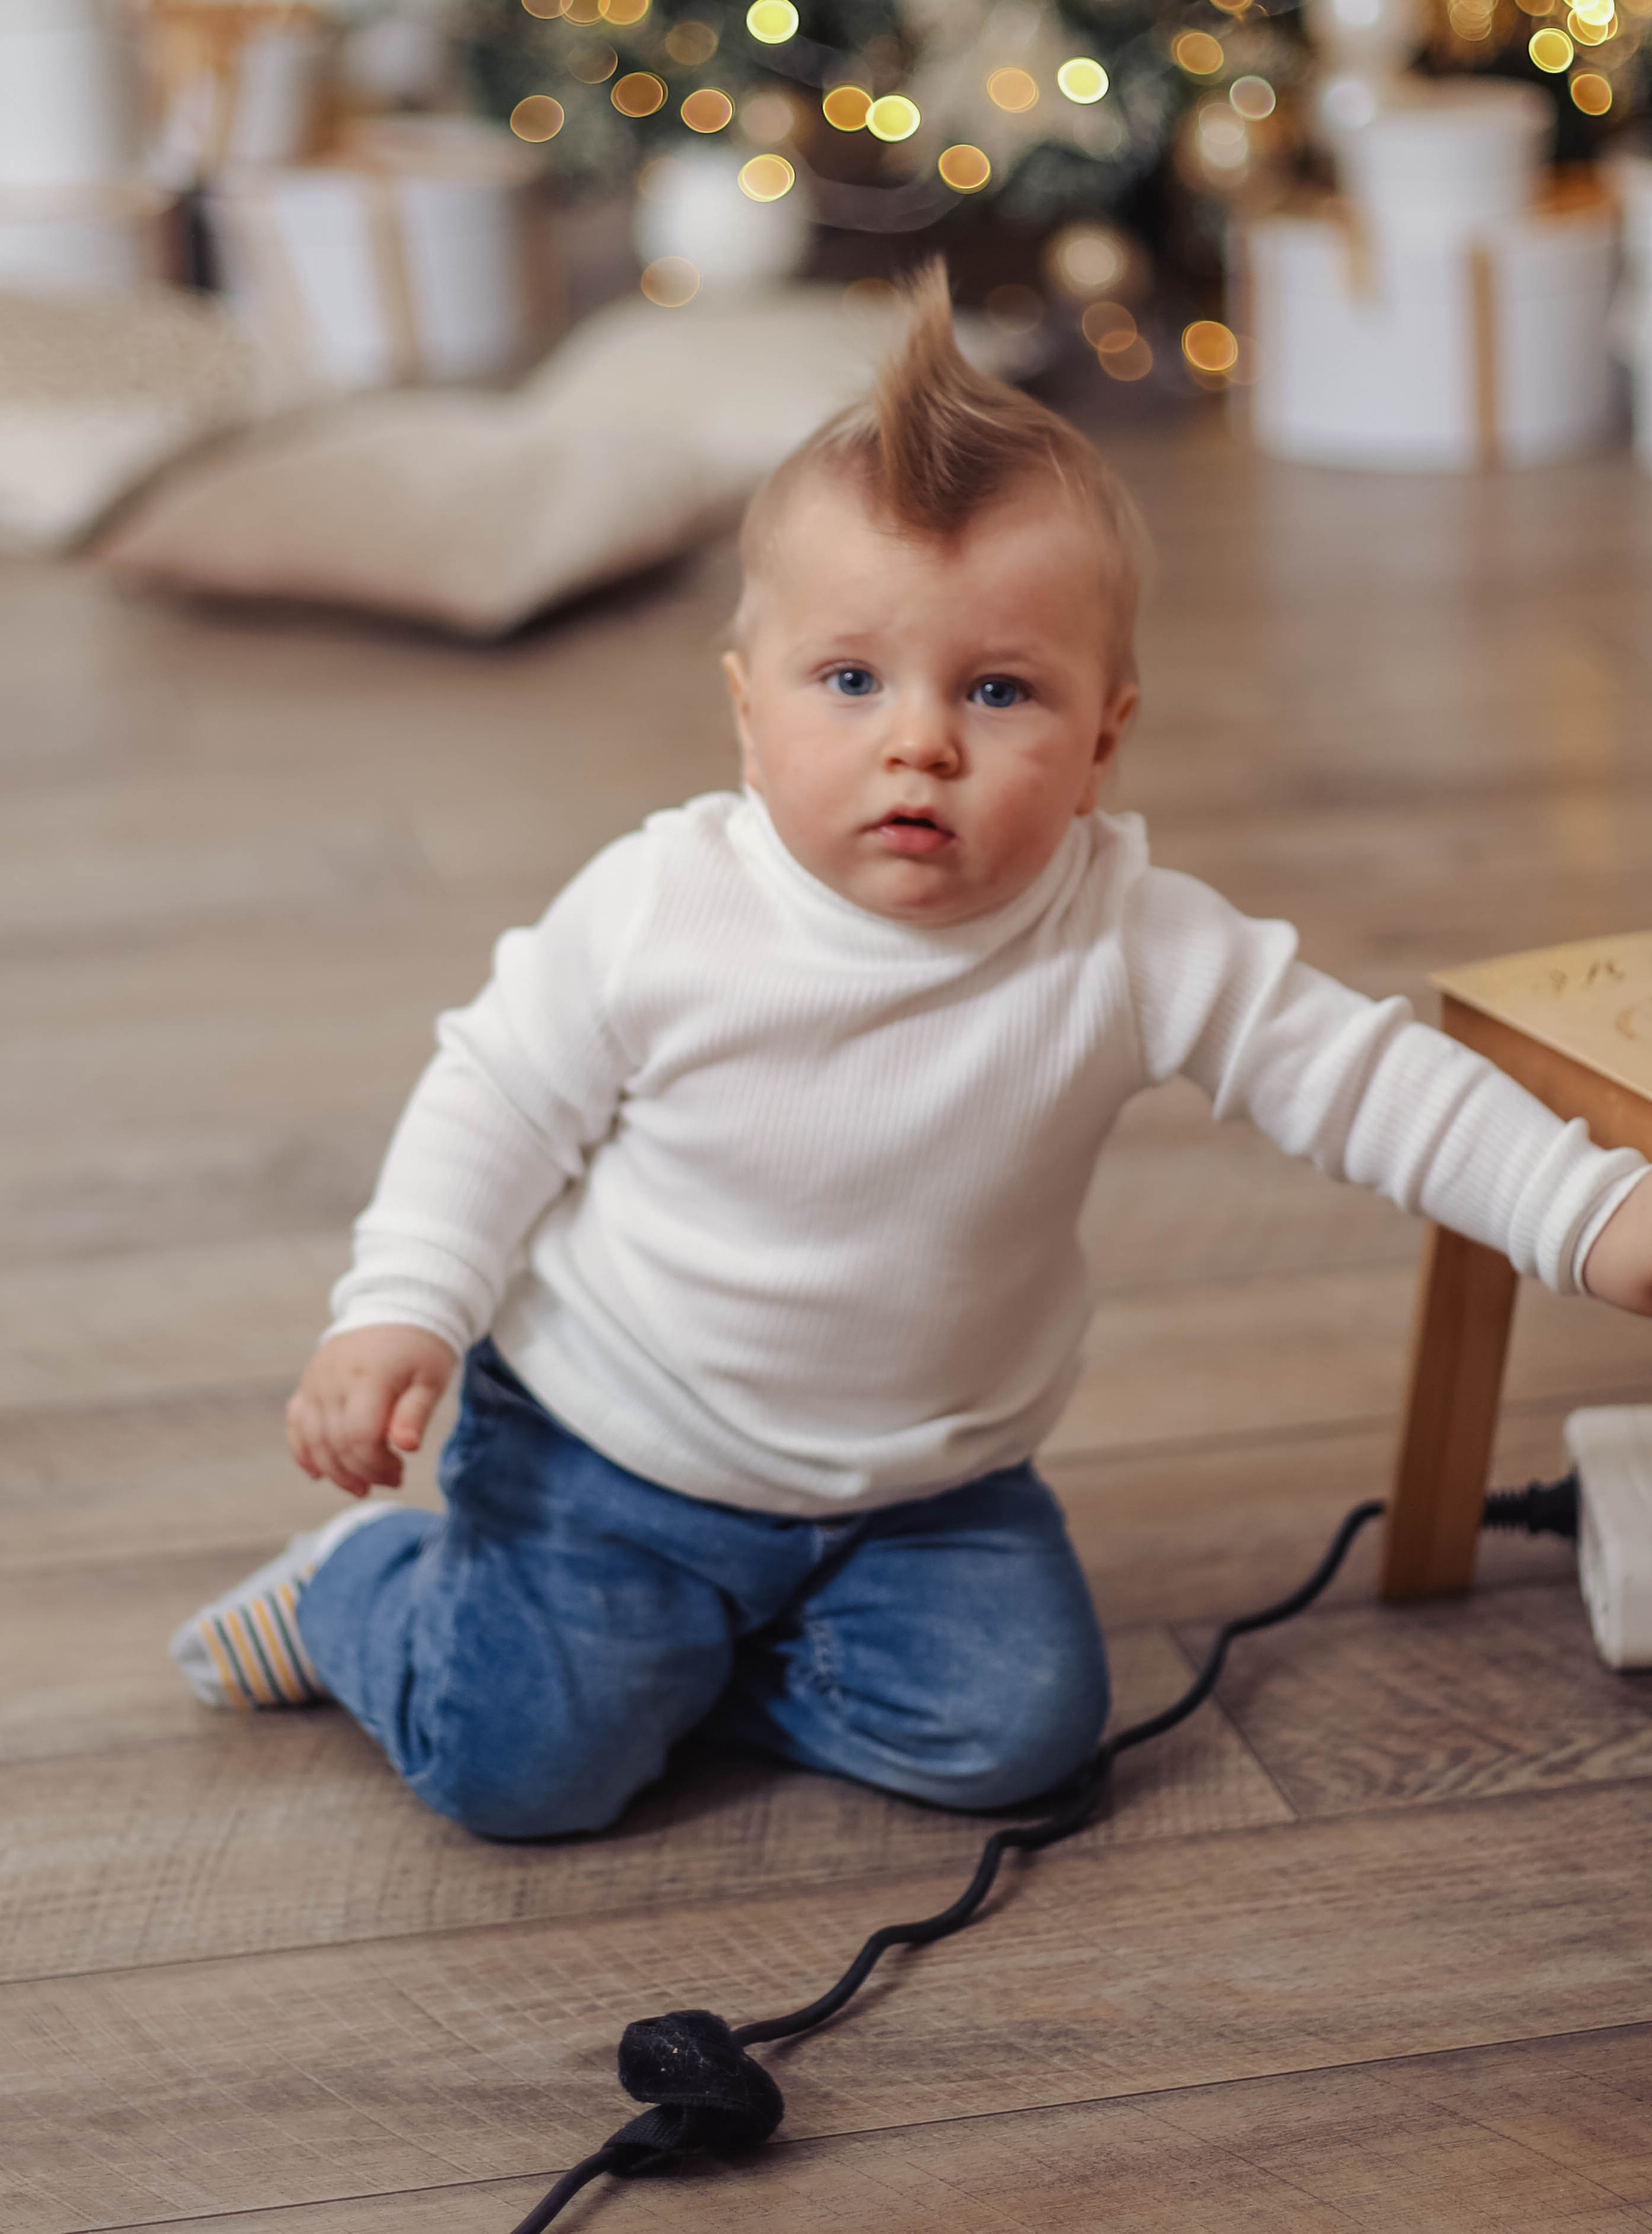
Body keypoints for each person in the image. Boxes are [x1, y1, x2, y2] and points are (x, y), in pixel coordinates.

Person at [171, 262, 1652, 1838]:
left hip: (923, 1493)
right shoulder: (662, 907)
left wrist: (1588, 1215)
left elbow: (1365, 1080)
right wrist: (397, 1310)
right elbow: (494, 1098)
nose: (920, 740)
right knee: (516, 1774)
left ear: (1101, 740)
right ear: (748, 717)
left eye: (998, 688)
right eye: (851, 680)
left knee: (1025, 1740)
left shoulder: (1127, 936)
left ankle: (670, 1667)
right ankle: (371, 1592)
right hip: (615, 1448)